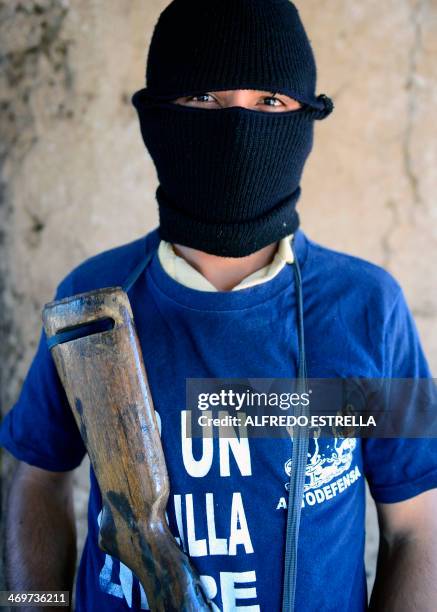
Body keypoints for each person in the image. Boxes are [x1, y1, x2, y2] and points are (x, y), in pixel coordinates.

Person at [1, 1, 437, 611]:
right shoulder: (93, 301)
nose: (237, 125)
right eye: (204, 98)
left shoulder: (370, 310)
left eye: (269, 102)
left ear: (304, 118)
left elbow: (418, 526)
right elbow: (39, 480)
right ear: (159, 118)